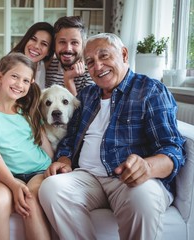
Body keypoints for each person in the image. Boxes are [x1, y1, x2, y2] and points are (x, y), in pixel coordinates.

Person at [38, 33, 186, 239]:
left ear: (124, 54)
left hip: (131, 180)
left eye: (104, 56)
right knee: (51, 188)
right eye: (90, 62)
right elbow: (70, 139)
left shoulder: (150, 90)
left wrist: (148, 166)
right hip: (87, 177)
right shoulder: (86, 95)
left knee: (143, 198)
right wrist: (64, 158)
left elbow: (172, 149)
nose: (97, 66)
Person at [0, 52, 53, 240]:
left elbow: (45, 146)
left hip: (38, 171)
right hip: (7, 175)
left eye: (26, 80)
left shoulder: (28, 112)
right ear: (0, 77)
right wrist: (14, 184)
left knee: (29, 199)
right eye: (14, 76)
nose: (19, 84)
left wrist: (54, 166)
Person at [45, 15, 93, 95]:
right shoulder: (48, 66)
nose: (68, 49)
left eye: (74, 42)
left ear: (83, 45)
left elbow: (83, 107)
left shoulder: (90, 72)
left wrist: (69, 80)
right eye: (62, 42)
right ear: (54, 45)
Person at [10, 21, 54, 89]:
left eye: (44, 44)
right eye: (33, 39)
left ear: (48, 52)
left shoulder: (41, 65)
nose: (36, 46)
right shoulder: (11, 64)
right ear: (26, 40)